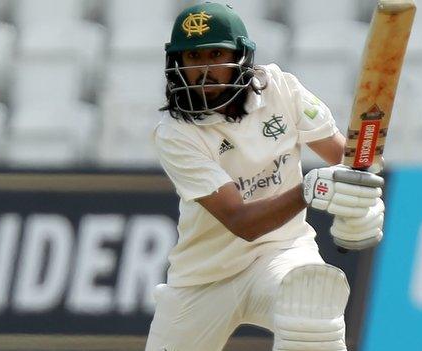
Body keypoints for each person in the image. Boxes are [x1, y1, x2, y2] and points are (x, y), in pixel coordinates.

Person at [146, 3, 385, 351]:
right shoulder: (175, 133)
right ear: (176, 63)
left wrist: (361, 201)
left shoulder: (281, 89)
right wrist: (308, 190)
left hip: (281, 252)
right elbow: (242, 221)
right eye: (193, 57)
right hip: (203, 277)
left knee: (310, 303)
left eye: (216, 53)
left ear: (242, 57)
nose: (204, 69)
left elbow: (347, 162)